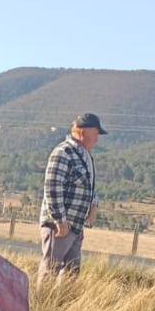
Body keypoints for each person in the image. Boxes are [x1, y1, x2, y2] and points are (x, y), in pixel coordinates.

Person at [37, 113, 106, 284]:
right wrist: (60, 222)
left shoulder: (85, 156)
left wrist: (93, 208)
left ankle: (61, 307)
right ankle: (42, 306)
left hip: (75, 226)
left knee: (71, 274)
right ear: (84, 132)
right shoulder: (63, 152)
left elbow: (89, 187)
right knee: (50, 271)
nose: (97, 139)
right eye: (96, 133)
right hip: (60, 226)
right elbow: (52, 187)